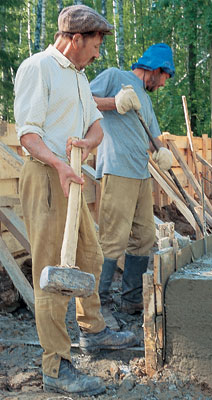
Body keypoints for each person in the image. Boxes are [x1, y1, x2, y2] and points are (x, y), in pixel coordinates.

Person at [14, 5, 137, 397]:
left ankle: (93, 332)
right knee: (51, 272)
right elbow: (28, 136)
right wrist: (60, 164)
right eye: (96, 44)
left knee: (90, 257)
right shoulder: (39, 68)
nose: (98, 53)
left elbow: (96, 126)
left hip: (72, 174)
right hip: (47, 175)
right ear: (75, 39)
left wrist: (87, 144)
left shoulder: (80, 78)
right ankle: (56, 366)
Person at [90, 43, 175, 321]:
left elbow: (153, 136)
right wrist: (113, 103)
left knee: (144, 238)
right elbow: (81, 99)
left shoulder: (146, 100)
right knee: (113, 239)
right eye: (164, 77)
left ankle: (131, 301)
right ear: (155, 69)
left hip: (140, 174)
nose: (162, 84)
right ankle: (99, 305)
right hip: (117, 169)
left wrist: (161, 152)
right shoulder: (115, 77)